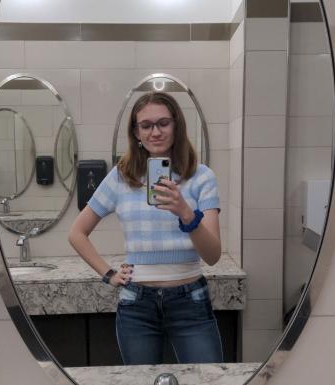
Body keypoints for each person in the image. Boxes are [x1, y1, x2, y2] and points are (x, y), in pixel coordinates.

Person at [68, 91, 223, 365]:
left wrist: (185, 212)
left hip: (190, 300)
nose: (155, 132)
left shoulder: (201, 176)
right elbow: (76, 233)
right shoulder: (120, 176)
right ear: (136, 132)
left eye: (163, 123)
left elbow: (212, 255)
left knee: (207, 380)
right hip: (136, 303)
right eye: (146, 125)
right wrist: (109, 274)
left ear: (177, 125)